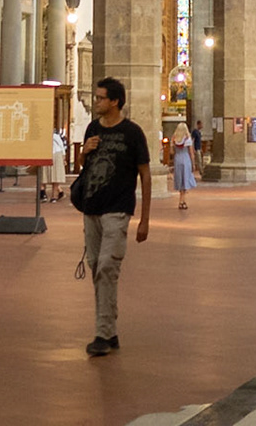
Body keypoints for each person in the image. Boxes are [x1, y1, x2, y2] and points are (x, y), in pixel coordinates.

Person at [71, 77, 150, 358]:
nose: (97, 102)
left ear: (115, 101)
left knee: (107, 265)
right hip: (92, 207)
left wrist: (144, 219)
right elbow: (83, 167)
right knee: (96, 267)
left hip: (118, 209)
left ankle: (102, 334)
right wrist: (84, 152)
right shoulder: (93, 128)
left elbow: (145, 174)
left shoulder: (132, 133)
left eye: (101, 98)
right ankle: (110, 330)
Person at [169, 123, 197, 211]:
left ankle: (181, 200)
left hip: (177, 159)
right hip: (185, 159)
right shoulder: (187, 139)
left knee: (180, 178)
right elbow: (191, 153)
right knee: (185, 178)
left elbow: (171, 152)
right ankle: (182, 201)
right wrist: (193, 163)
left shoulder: (174, 139)